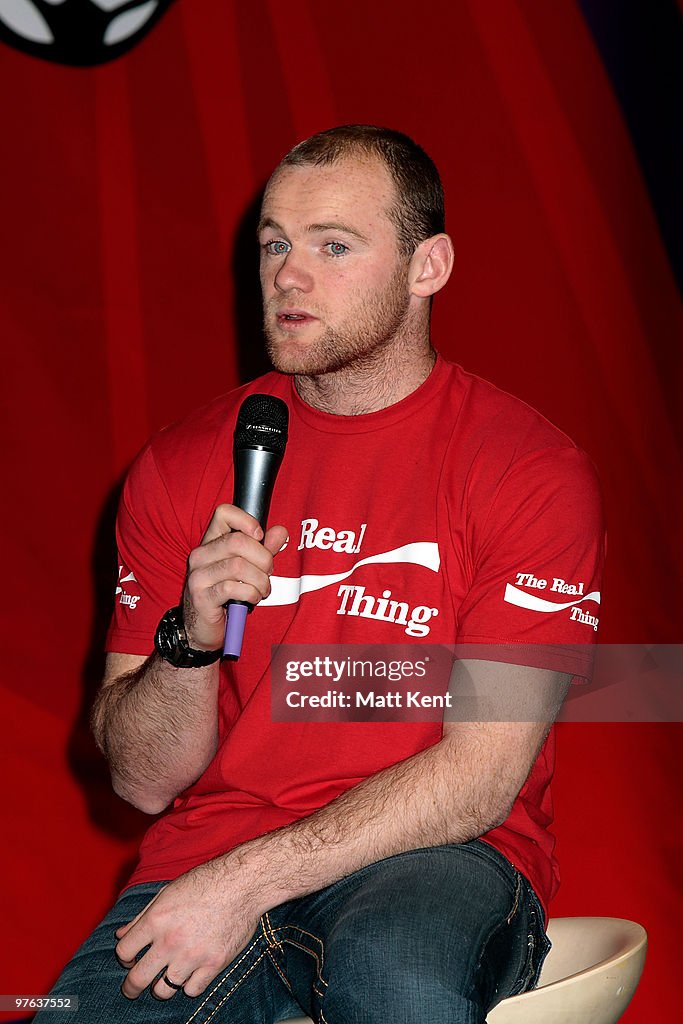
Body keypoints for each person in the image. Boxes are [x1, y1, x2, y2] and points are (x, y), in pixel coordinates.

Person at [38, 125, 604, 1024]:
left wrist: (242, 883)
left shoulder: (526, 469)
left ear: (428, 268)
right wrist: (188, 642)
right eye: (273, 244)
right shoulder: (181, 465)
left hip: (439, 856)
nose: (287, 275)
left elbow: (479, 777)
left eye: (332, 246)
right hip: (209, 853)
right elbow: (143, 783)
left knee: (399, 985)